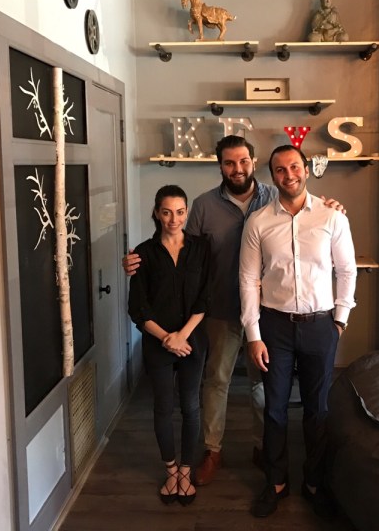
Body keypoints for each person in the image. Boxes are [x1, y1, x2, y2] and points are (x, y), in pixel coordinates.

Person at [123, 135, 345, 487]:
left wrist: (332, 207)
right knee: (217, 380)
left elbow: (307, 209)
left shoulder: (274, 196)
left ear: (254, 163)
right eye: (229, 163)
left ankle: (263, 446)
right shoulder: (203, 206)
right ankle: (213, 450)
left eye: (243, 161)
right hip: (220, 309)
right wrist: (139, 261)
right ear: (220, 167)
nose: (237, 168)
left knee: (263, 383)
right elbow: (183, 250)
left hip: (268, 313)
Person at [240, 145, 357, 519]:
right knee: (273, 408)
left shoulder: (332, 217)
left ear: (306, 170)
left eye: (294, 167)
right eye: (280, 169)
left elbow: (346, 270)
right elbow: (248, 279)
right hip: (274, 327)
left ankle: (314, 483)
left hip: (321, 325)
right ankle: (276, 483)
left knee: (317, 409)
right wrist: (253, 335)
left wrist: (340, 320)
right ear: (272, 176)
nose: (288, 174)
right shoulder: (258, 222)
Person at [128, 185, 210, 505]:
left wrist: (182, 336)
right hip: (157, 343)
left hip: (193, 341)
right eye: (166, 212)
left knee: (190, 406)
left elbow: (205, 298)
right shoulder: (143, 253)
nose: (173, 219)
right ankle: (171, 470)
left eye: (179, 212)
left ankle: (186, 470)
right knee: (162, 407)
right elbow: (138, 308)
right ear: (156, 213)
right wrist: (166, 338)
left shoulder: (201, 249)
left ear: (187, 213)